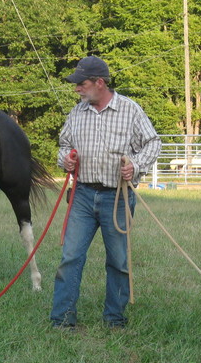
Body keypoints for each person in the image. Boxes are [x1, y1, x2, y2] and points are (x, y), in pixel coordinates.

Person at [50, 56, 161, 330]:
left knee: (119, 261)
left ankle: (114, 319)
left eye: (82, 84)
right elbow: (64, 145)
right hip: (82, 195)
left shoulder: (130, 110)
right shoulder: (77, 112)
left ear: (100, 82)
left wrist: (135, 165)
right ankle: (62, 320)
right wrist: (66, 159)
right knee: (70, 257)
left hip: (117, 198)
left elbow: (152, 143)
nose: (77, 89)